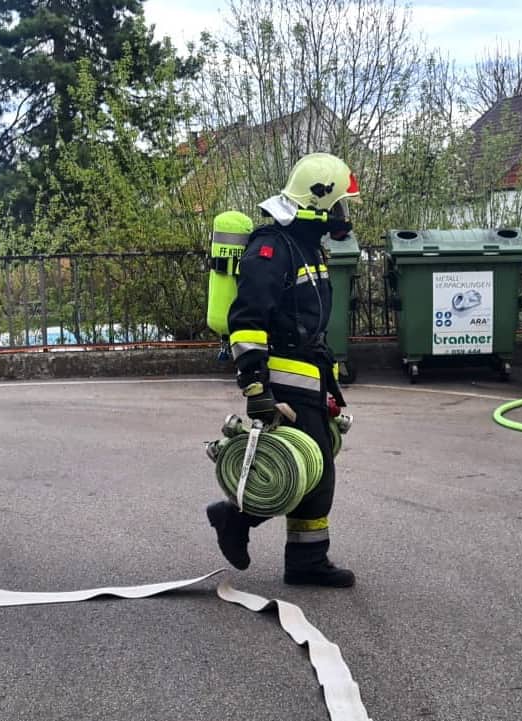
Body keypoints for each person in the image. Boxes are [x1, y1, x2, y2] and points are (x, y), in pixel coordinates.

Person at [206, 152, 359, 588]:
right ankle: (239, 520)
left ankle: (301, 558)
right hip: (283, 377)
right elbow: (247, 320)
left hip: (310, 372)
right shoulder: (271, 248)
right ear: (317, 202)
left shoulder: (307, 245)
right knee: (306, 470)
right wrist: (255, 386)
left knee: (312, 468)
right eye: (338, 205)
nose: (342, 216)